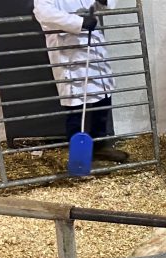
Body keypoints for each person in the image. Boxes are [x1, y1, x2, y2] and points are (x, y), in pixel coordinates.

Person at [33, 0, 129, 163]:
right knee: (76, 106)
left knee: (103, 97)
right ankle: (78, 155)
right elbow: (43, 12)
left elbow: (103, 5)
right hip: (70, 52)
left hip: (95, 48)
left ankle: (99, 146)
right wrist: (79, 22)